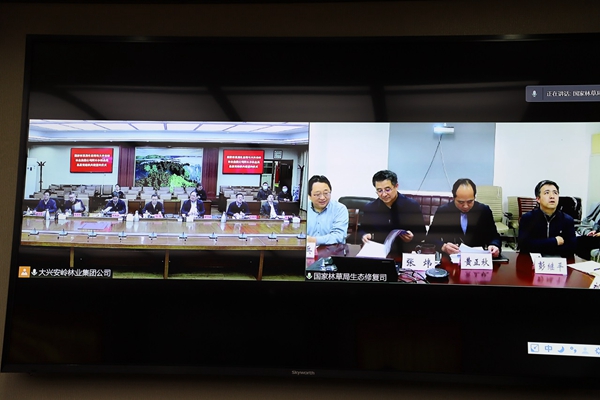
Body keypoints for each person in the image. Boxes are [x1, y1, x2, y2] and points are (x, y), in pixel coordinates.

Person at [426, 178, 501, 258]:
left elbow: (494, 236)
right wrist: (443, 247)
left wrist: (494, 245)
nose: (465, 206)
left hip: (477, 259)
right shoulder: (444, 211)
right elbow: (430, 238)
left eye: (470, 201)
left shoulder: (484, 211)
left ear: (474, 197)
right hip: (451, 258)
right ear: (454, 198)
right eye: (461, 202)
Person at [359, 170, 426, 254]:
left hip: (404, 252)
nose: (384, 194)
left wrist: (413, 237)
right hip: (378, 252)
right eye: (379, 190)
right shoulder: (370, 207)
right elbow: (362, 230)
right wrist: (364, 235)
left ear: (396, 186)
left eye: (387, 190)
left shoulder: (412, 206)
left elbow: (422, 234)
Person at [518, 180, 576, 257]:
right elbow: (524, 245)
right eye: (547, 193)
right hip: (532, 260)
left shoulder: (567, 220)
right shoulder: (528, 218)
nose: (552, 196)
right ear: (538, 199)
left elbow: (571, 248)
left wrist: (539, 245)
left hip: (558, 261)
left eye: (555, 193)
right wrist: (554, 241)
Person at [306, 175, 348, 245]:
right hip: (309, 250)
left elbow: (338, 236)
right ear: (309, 196)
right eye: (317, 194)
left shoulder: (340, 209)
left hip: (333, 250)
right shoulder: (303, 210)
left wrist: (314, 240)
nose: (322, 198)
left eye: (326, 193)